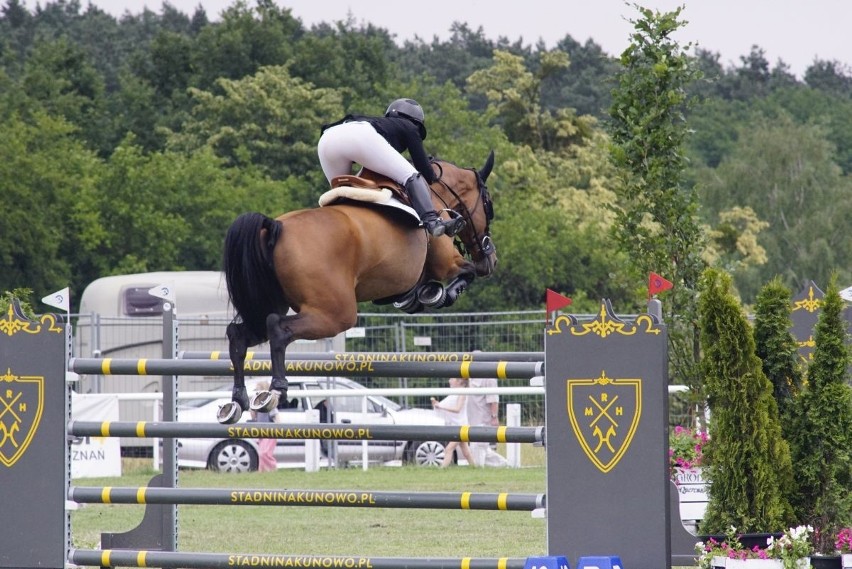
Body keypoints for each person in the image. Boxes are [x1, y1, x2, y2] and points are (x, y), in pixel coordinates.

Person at [317, 98, 465, 237]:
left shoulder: (376, 122)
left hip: (326, 139)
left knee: (340, 195)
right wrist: (433, 175)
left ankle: (333, 227)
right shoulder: (409, 126)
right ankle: (432, 221)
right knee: (411, 175)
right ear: (416, 123)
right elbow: (424, 171)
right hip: (360, 136)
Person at [431, 377, 476, 467]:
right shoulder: (455, 393)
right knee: (466, 451)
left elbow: (457, 409)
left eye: (452, 379)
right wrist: (437, 405)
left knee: (449, 449)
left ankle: (442, 470)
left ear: (459, 381)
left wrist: (441, 407)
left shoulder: (462, 393)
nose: (449, 381)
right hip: (458, 425)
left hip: (461, 427)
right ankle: (475, 467)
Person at [467, 376, 509, 467]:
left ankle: (478, 469)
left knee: (478, 447)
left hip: (482, 420)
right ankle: (505, 464)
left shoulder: (489, 378)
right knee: (484, 450)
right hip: (472, 420)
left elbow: (493, 399)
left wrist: (494, 417)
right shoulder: (471, 376)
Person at [249, 380, 278, 472]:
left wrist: (279, 429)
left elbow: (277, 417)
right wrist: (252, 408)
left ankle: (273, 468)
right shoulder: (257, 405)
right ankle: (262, 471)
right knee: (261, 453)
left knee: (264, 453)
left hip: (270, 433)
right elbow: (254, 417)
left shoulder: (269, 404)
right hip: (261, 432)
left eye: (258, 391)